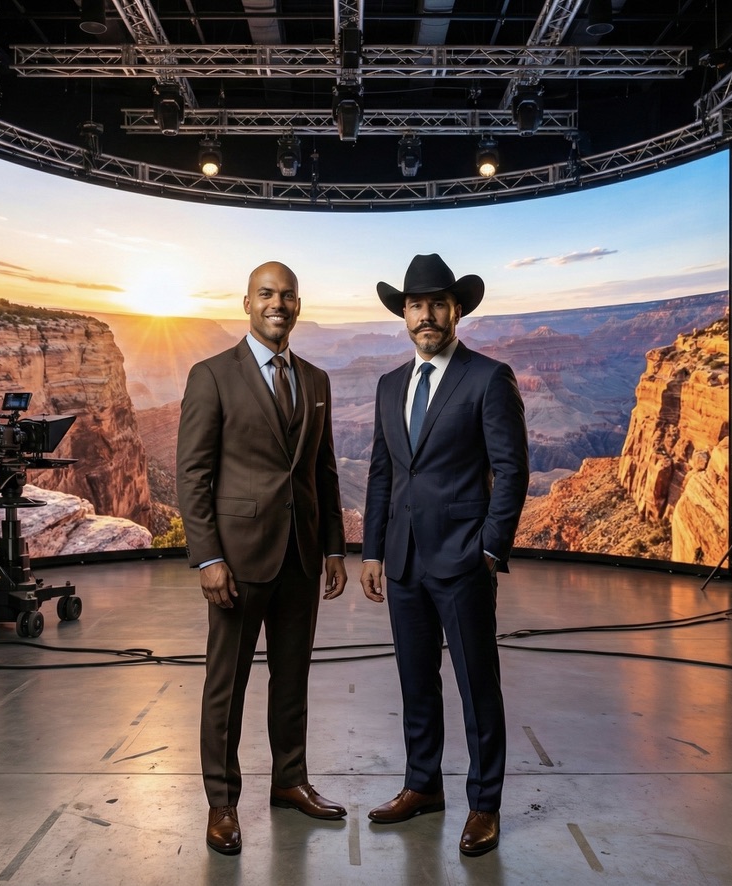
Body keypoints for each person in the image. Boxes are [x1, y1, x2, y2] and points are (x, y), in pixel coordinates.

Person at [176, 260, 348, 856]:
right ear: (247, 303)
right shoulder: (211, 375)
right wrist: (207, 558)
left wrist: (333, 546)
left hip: (301, 555)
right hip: (237, 560)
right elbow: (193, 475)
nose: (279, 304)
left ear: (299, 304)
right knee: (226, 685)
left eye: (288, 295)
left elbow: (323, 471)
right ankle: (221, 802)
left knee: (292, 677)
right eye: (267, 294)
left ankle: (290, 781)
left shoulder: (317, 380)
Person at [360, 253, 529, 857]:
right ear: (403, 314)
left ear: (457, 310)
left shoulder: (488, 377)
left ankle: (484, 804)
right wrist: (373, 552)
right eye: (415, 305)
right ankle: (422, 786)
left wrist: (489, 550)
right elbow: (383, 474)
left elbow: (511, 470)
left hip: (463, 562)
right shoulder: (388, 385)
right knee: (416, 682)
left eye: (437, 303)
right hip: (403, 561)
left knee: (477, 686)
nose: (425, 315)